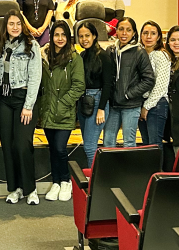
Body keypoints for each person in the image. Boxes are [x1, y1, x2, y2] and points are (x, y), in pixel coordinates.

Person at [0, 10, 43, 205]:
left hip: (24, 98)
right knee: (7, 145)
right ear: (5, 26)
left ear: (23, 26)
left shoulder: (32, 46)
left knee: (22, 145)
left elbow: (35, 77)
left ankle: (30, 189)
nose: (14, 27)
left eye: (18, 24)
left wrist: (28, 105)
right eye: (11, 23)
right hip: (3, 99)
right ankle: (15, 188)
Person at [39, 21, 85, 202]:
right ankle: (56, 181)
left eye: (63, 35)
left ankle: (66, 181)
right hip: (48, 110)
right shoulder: (46, 57)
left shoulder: (75, 58)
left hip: (64, 111)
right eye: (56, 35)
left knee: (60, 148)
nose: (60, 39)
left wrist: (63, 103)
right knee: (52, 149)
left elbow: (79, 85)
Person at [103, 18, 156, 147]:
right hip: (113, 106)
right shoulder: (110, 51)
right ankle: (111, 167)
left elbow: (149, 79)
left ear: (133, 33)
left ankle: (129, 168)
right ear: (116, 32)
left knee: (129, 142)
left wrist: (128, 94)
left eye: (128, 30)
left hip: (131, 106)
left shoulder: (139, 52)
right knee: (108, 141)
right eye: (121, 29)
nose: (124, 33)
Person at [76, 22, 114, 167]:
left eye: (87, 35)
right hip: (84, 101)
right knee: (87, 143)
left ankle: (94, 181)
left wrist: (101, 109)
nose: (84, 39)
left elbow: (107, 85)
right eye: (81, 36)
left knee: (90, 146)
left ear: (94, 36)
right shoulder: (82, 55)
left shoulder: (104, 56)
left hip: (98, 101)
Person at [140, 21, 171, 147]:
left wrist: (147, 107)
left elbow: (160, 86)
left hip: (157, 104)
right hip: (142, 102)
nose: (148, 37)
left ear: (158, 37)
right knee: (146, 143)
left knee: (155, 144)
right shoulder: (139, 54)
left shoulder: (161, 55)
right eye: (145, 33)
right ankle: (148, 167)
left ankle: (158, 168)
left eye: (153, 33)